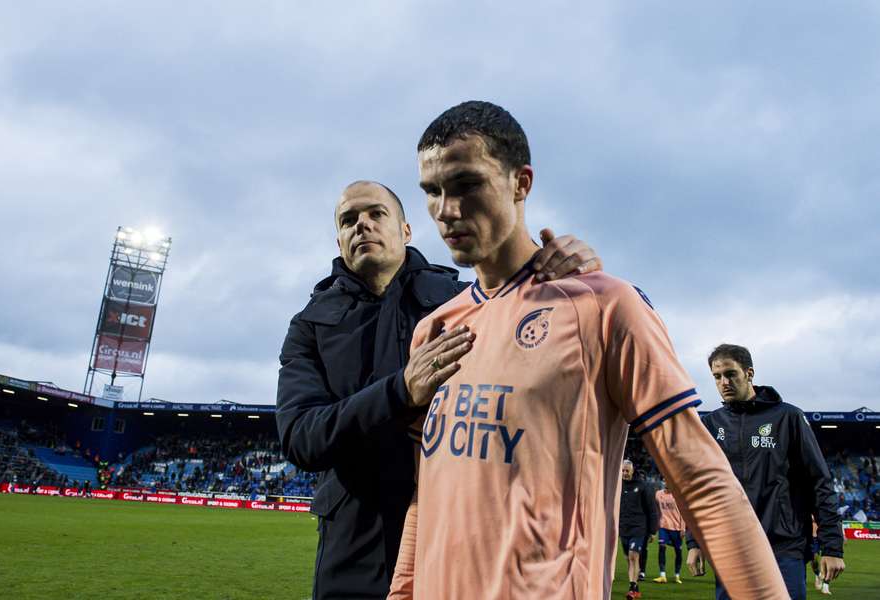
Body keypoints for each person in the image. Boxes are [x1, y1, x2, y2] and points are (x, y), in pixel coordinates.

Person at [388, 100, 788, 600]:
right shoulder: (434, 329)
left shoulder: (604, 307)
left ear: (521, 183)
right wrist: (403, 589)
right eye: (432, 192)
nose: (446, 211)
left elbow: (702, 480)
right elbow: (431, 488)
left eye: (467, 184)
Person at [276, 180, 601, 599]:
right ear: (338, 240)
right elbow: (300, 437)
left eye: (376, 214)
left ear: (406, 231)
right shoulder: (309, 325)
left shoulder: (465, 299)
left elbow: (549, 355)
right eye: (349, 220)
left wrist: (578, 274)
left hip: (457, 534)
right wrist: (401, 390)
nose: (363, 225)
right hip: (352, 547)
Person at [686, 343, 845, 600]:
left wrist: (832, 547)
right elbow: (699, 490)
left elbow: (819, 481)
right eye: (717, 377)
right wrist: (694, 542)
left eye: (731, 374)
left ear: (749, 373)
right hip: (731, 546)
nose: (724, 382)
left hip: (783, 546)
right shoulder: (710, 424)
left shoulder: (788, 417)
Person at [618, 460, 658, 598]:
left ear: (633, 470)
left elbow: (652, 509)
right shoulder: (618, 485)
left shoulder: (643, 486)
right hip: (623, 528)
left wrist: (653, 530)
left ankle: (632, 587)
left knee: (633, 555)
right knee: (628, 559)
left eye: (627, 471)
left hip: (639, 527)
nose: (624, 473)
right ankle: (635, 586)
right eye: (623, 471)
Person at [653, 482, 684, 584]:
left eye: (668, 480)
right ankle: (662, 575)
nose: (667, 482)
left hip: (676, 528)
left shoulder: (678, 496)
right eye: (665, 480)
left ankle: (677, 575)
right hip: (663, 527)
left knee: (678, 552)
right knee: (662, 547)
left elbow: (683, 513)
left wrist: (683, 528)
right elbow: (654, 506)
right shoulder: (658, 494)